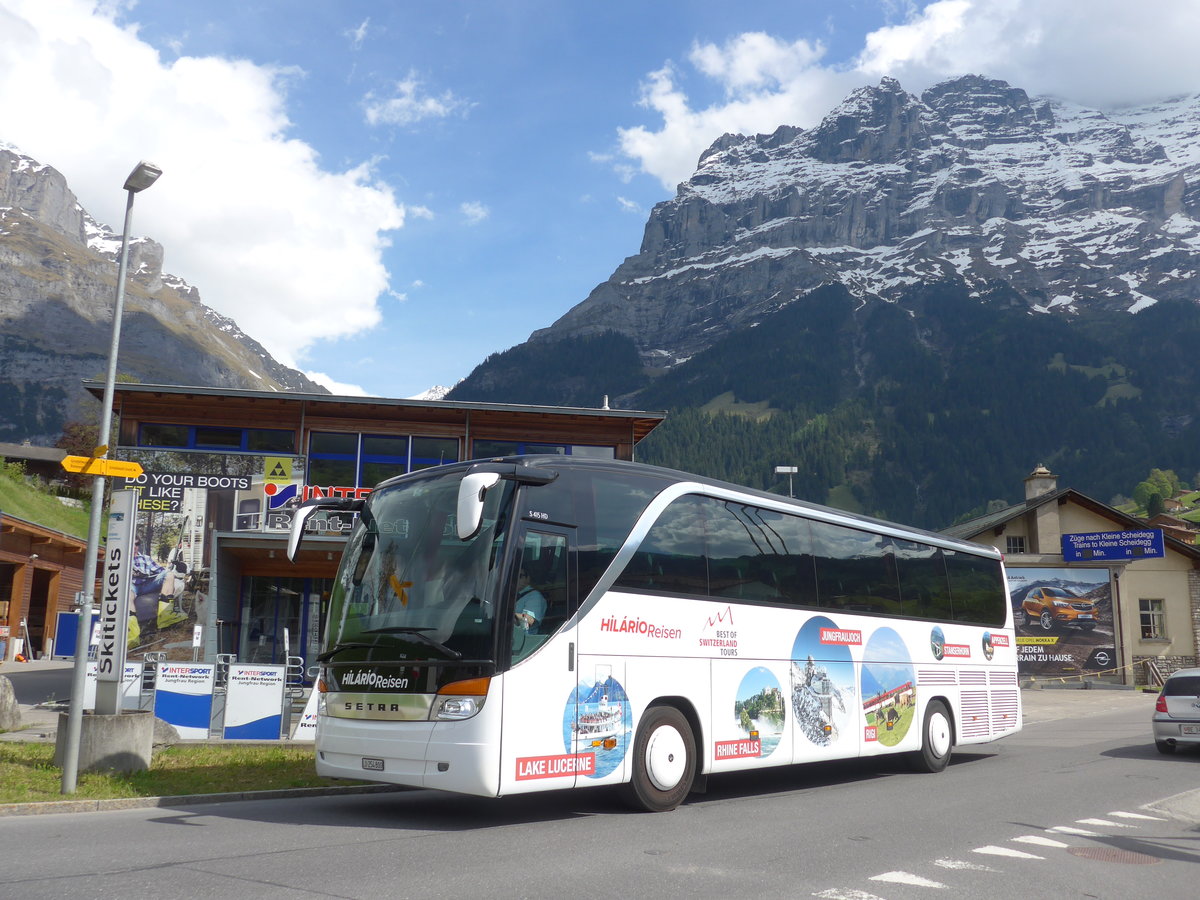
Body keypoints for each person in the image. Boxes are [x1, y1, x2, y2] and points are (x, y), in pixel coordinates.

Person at [130, 539, 178, 636]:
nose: (135, 546)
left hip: (146, 584)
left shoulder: (145, 558)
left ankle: (165, 616)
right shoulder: (121, 559)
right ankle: (132, 632)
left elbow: (161, 571)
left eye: (137, 544)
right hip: (132, 585)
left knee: (169, 574)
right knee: (127, 594)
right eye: (132, 543)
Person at [513, 569, 547, 634]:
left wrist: (506, 616)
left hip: (525, 639)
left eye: (520, 576)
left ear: (527, 578)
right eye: (513, 576)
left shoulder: (534, 596)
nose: (515, 579)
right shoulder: (510, 596)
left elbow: (529, 620)